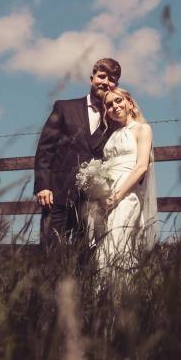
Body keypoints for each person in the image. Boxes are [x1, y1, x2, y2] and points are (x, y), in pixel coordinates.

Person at [34, 58, 121, 248]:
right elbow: (45, 148)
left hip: (92, 203)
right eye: (102, 76)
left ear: (116, 85)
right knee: (51, 254)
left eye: (112, 79)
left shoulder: (115, 118)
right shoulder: (64, 108)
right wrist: (43, 185)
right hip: (57, 196)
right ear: (92, 79)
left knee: (85, 260)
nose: (106, 82)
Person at [85, 87, 158, 272]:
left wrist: (117, 196)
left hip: (126, 194)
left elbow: (141, 166)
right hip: (105, 197)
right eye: (109, 105)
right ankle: (103, 296)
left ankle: (120, 295)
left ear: (130, 103)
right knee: (103, 248)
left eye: (118, 101)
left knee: (117, 243)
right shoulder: (112, 135)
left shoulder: (142, 129)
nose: (114, 106)